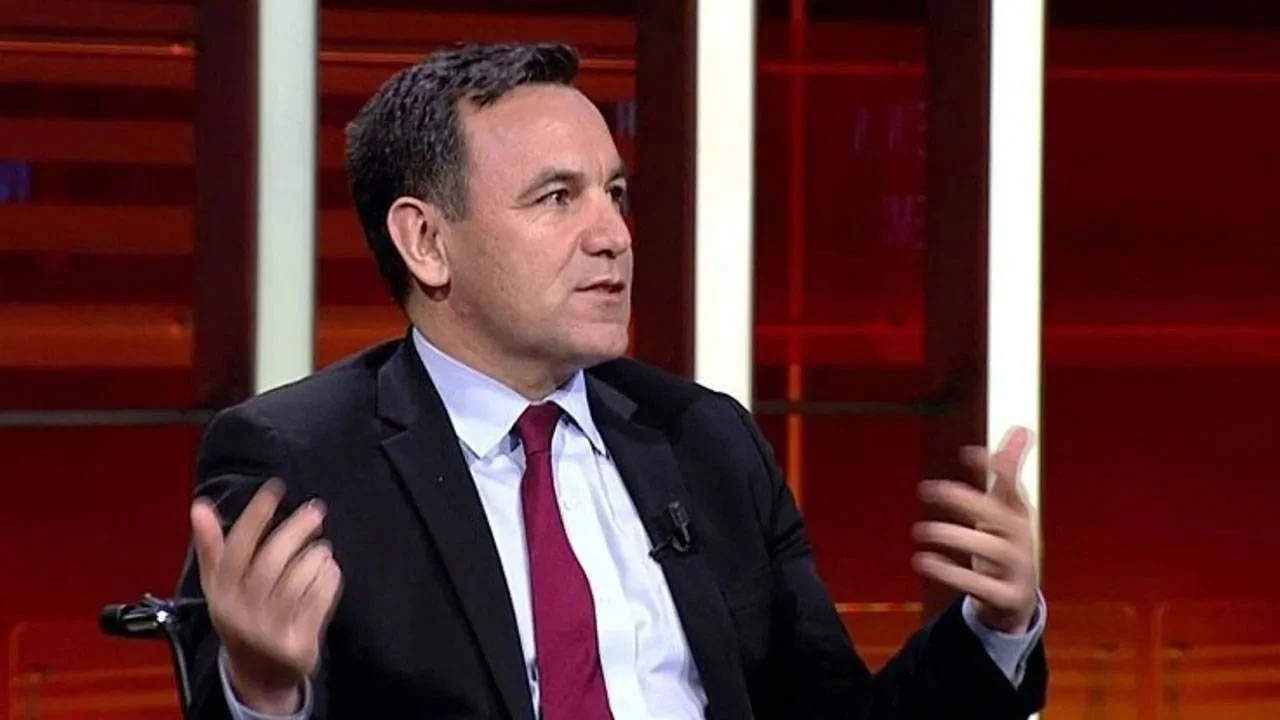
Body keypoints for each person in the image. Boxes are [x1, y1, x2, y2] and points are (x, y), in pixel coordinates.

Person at [177, 43, 1047, 720]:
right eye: (558, 198)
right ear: (428, 243)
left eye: (615, 193)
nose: (614, 236)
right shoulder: (303, 459)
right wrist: (265, 694)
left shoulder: (705, 439)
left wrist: (996, 630)